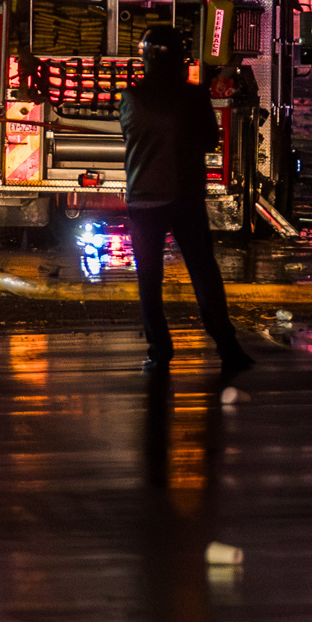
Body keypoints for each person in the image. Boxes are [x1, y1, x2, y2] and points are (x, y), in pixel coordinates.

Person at [119, 21, 252, 377]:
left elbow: (128, 135)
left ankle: (159, 352)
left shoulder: (131, 97)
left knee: (149, 278)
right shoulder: (194, 96)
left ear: (144, 59)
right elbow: (211, 140)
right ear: (181, 58)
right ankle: (227, 346)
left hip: (143, 198)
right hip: (186, 196)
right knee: (204, 272)